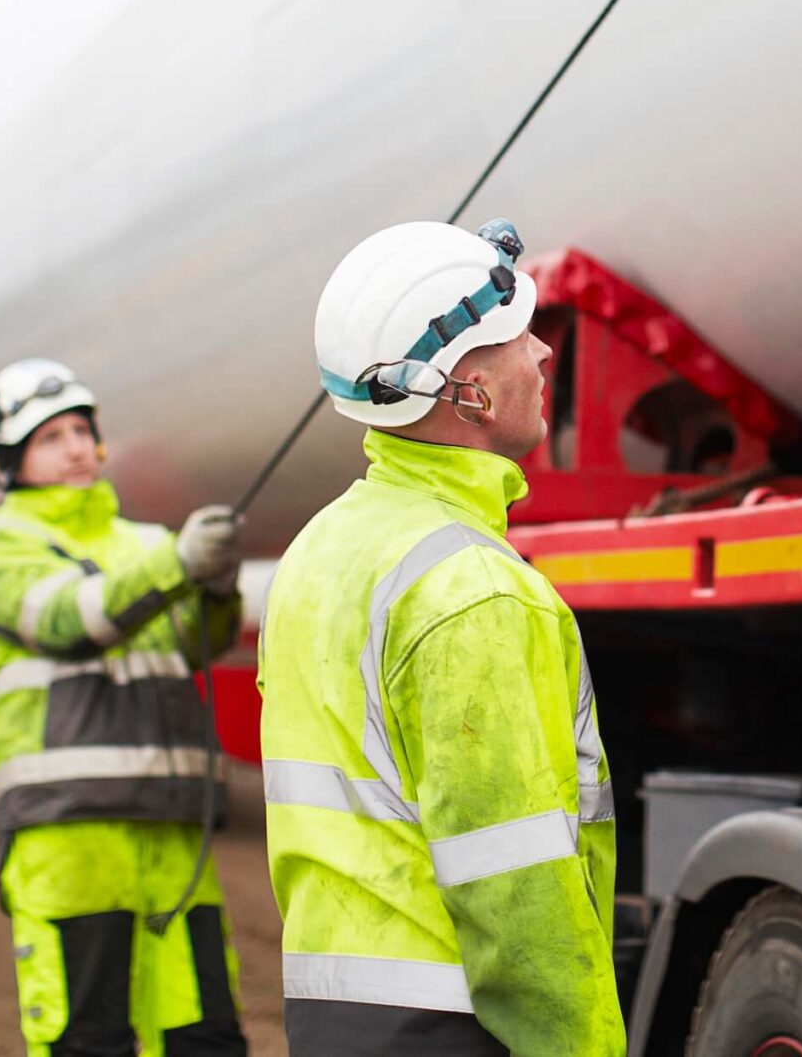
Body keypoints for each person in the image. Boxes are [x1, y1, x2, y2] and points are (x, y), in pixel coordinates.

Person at [261, 219, 623, 1055]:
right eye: (517, 337)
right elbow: (516, 887)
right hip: (450, 1020)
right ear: (470, 393)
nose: (542, 353)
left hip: (335, 1012)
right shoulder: (477, 589)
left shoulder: (319, 547)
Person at [0, 359, 250, 1057]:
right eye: (51, 436)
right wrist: (180, 564)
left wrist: (216, 590)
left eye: (82, 429)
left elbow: (196, 644)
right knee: (91, 1040)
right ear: (9, 462)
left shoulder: (145, 542)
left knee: (204, 1039)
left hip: (173, 830)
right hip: (69, 834)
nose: (77, 446)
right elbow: (67, 618)